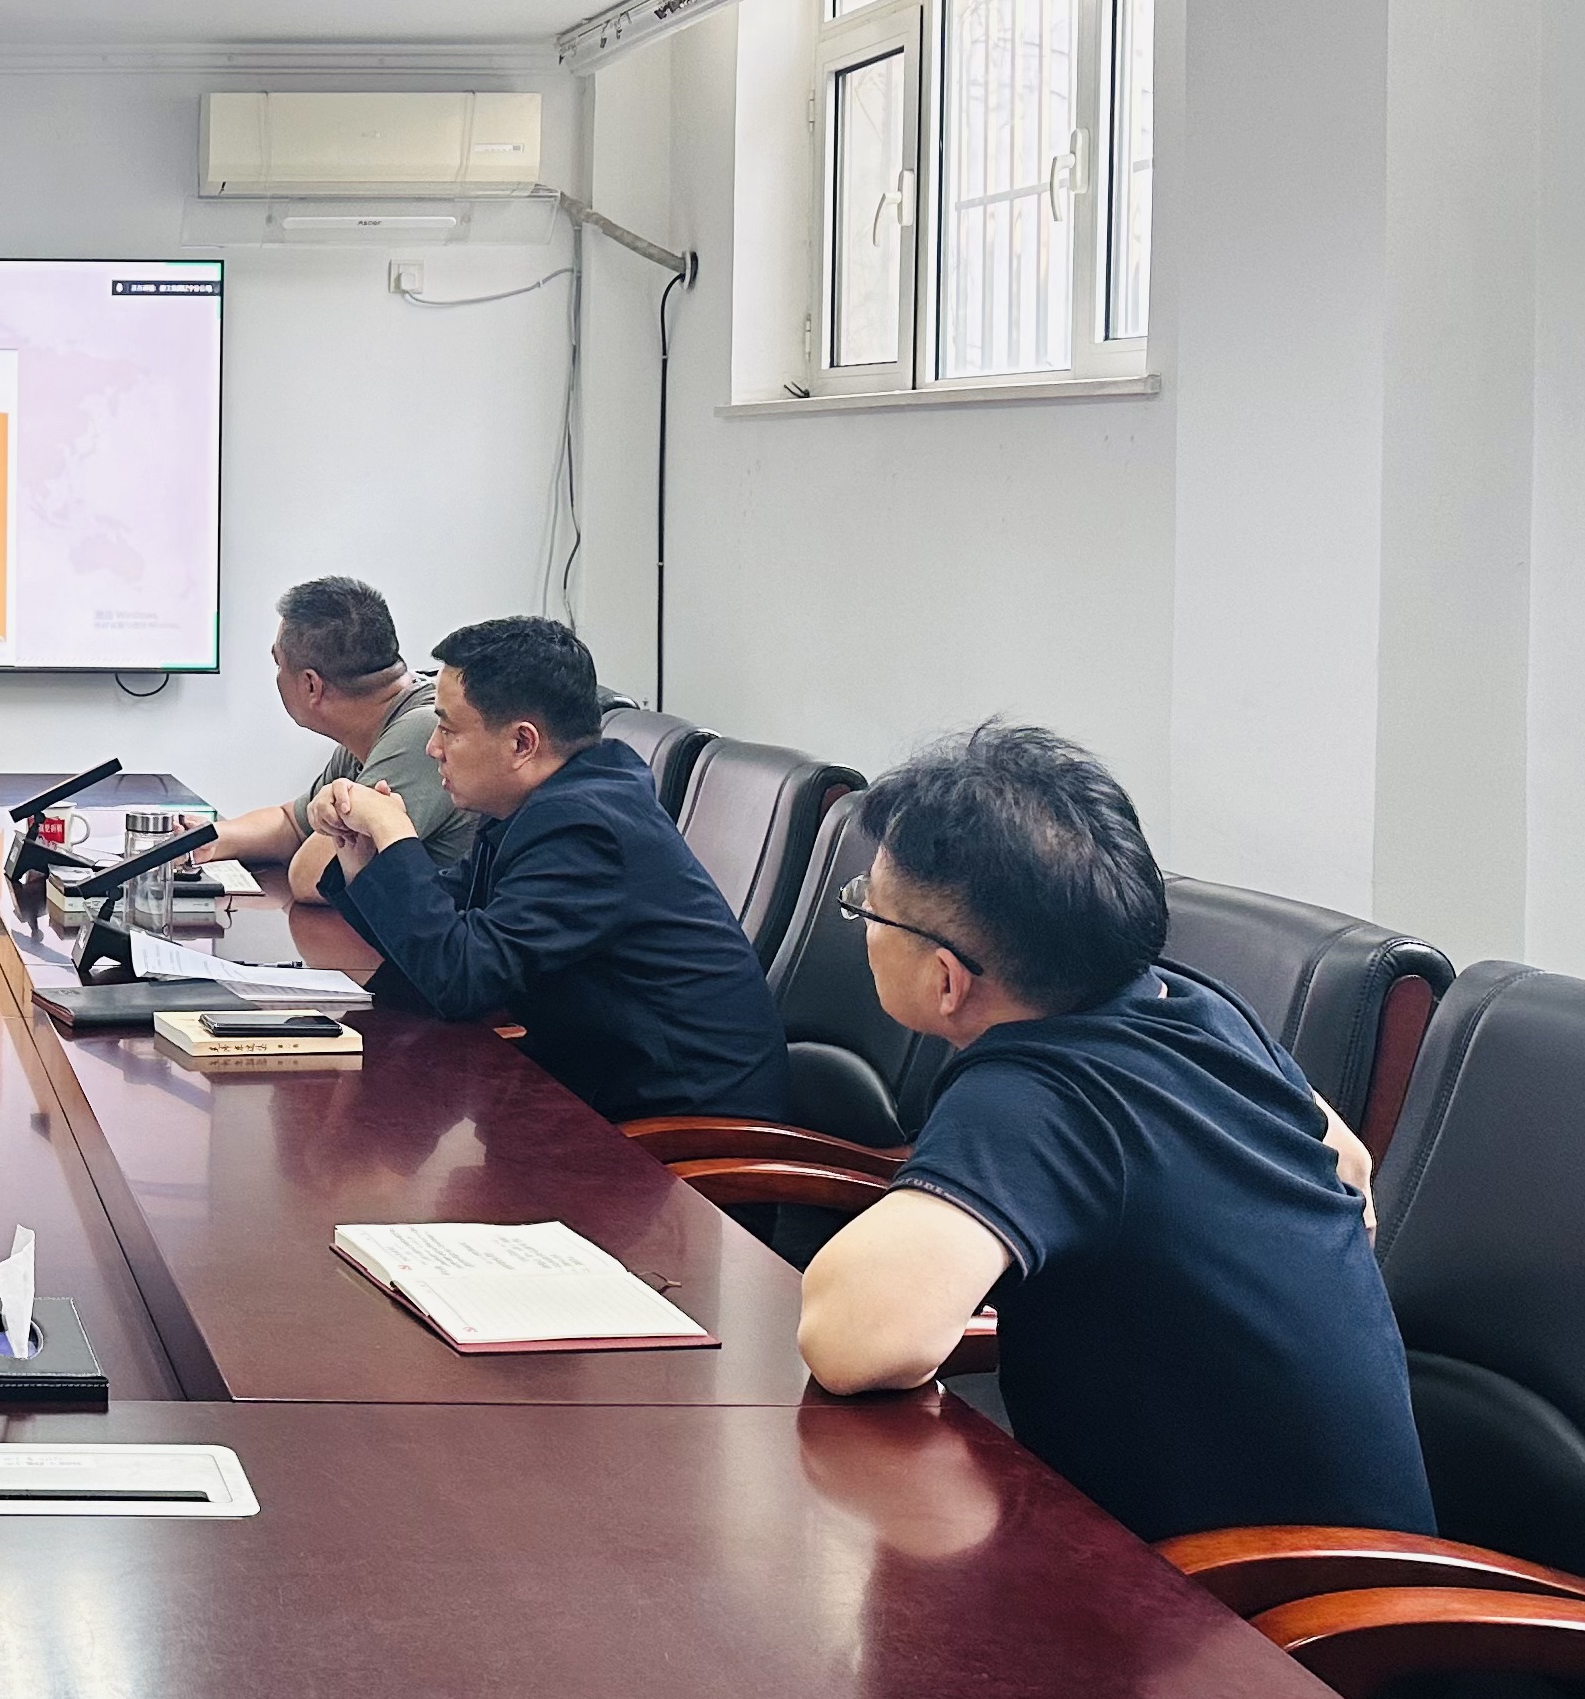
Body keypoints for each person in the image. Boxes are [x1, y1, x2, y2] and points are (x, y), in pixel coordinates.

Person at [793, 724, 1430, 1543]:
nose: (863, 926)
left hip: (1260, 1601)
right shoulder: (1192, 1004)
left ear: (946, 979)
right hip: (1354, 1561)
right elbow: (1349, 1165)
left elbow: (857, 1338)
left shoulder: (1035, 1097)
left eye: (867, 909)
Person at [306, 615, 787, 1123]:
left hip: (684, 1132)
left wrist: (397, 836)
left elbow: (462, 979)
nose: (433, 748)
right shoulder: (546, 803)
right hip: (599, 1096)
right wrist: (364, 857)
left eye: (448, 728)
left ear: (522, 743)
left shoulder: (587, 828)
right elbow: (446, 934)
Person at [198, 575, 478, 890]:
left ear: (311, 685)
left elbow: (312, 877)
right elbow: (292, 824)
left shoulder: (423, 731)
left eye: (279, 665)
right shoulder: (369, 726)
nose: (277, 676)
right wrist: (202, 840)